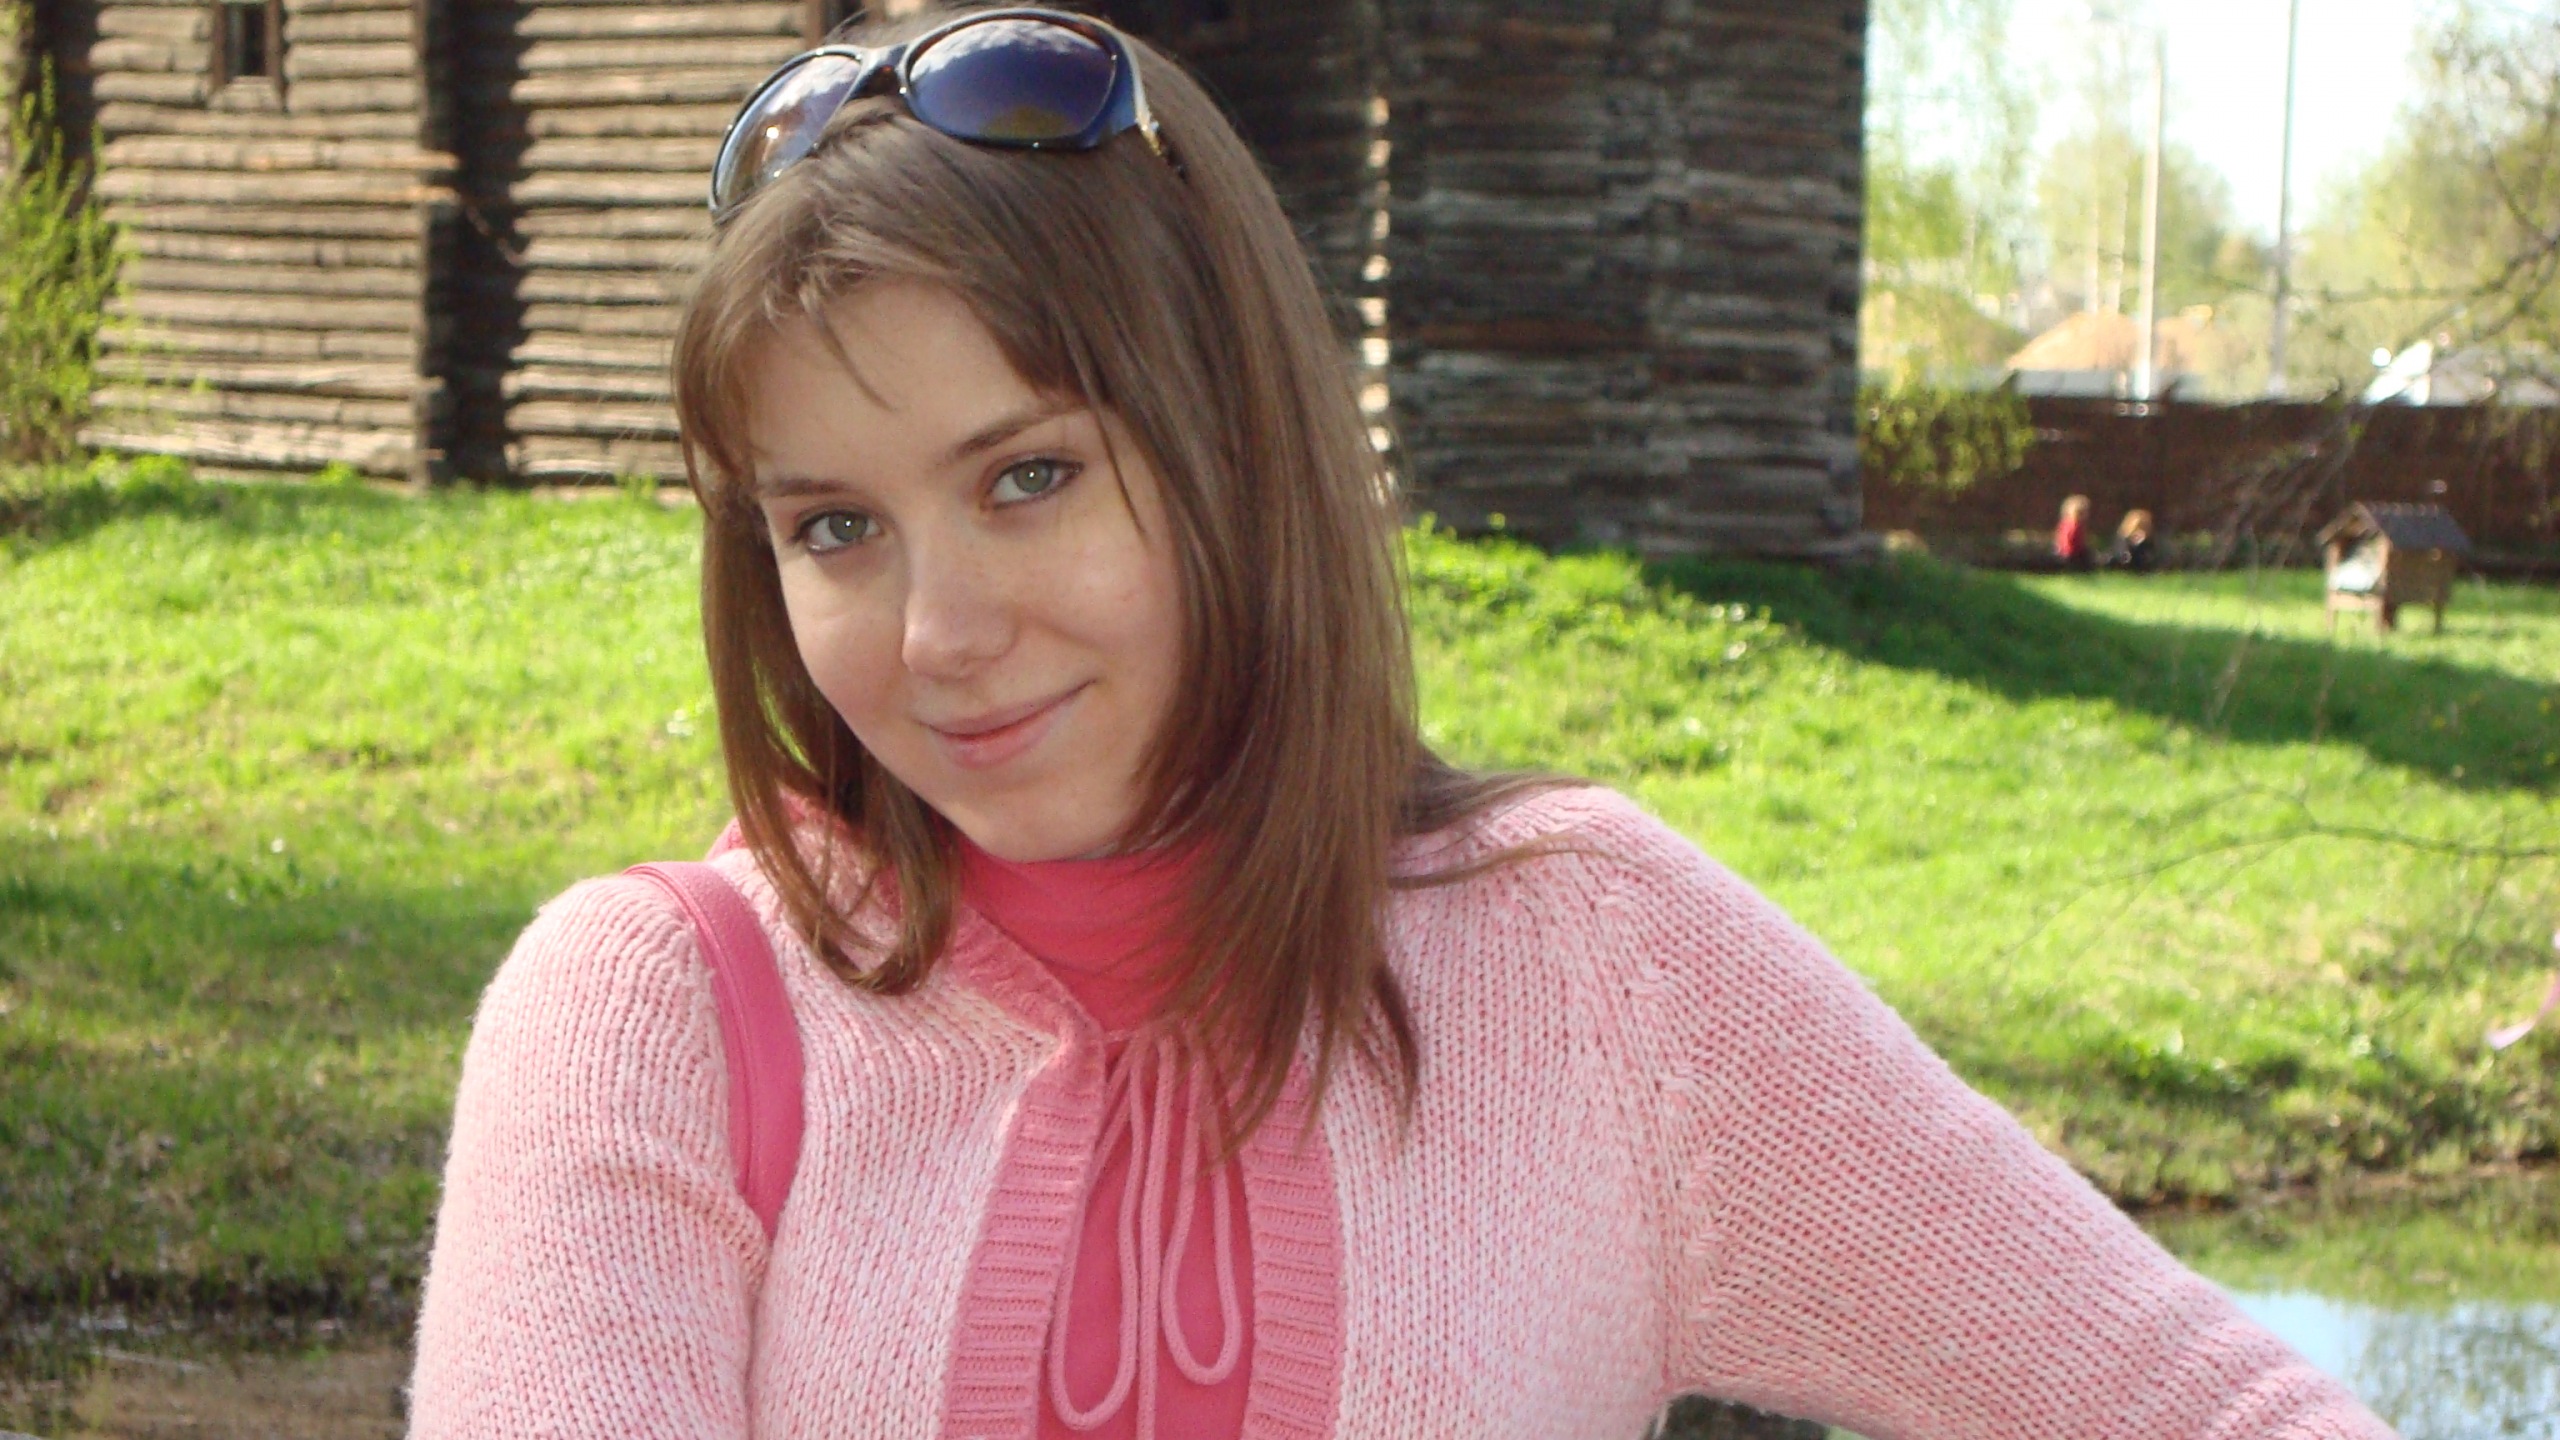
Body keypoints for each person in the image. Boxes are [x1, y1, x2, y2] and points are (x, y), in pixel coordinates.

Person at [406, 8, 2394, 1438]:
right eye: (833, 526)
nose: (939, 634)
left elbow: (2206, 1405)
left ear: (1238, 445)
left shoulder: (1591, 958)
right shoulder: (649, 1020)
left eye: (1029, 476)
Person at [2054, 493, 2096, 569]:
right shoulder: (2074, 525)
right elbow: (2070, 542)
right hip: (2071, 554)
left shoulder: (2065, 523)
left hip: (2066, 552)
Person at [2110, 507, 2159, 572]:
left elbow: (2151, 556)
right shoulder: (2123, 538)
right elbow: (2120, 555)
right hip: (2125, 565)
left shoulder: (2150, 540)